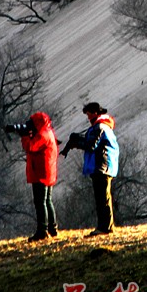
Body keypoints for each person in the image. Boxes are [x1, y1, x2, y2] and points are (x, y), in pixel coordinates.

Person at [61, 101, 119, 236]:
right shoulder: (103, 126)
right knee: (103, 198)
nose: (88, 118)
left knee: (102, 198)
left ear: (94, 113)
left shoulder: (99, 127)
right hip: (103, 166)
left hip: (100, 166)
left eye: (88, 114)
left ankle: (104, 228)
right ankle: (105, 226)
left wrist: (77, 142)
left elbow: (91, 145)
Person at [5, 111, 59, 241]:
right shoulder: (48, 131)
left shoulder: (42, 135)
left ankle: (43, 230)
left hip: (41, 173)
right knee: (47, 200)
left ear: (37, 123)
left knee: (40, 202)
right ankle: (53, 228)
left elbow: (30, 147)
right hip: (47, 171)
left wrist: (24, 136)